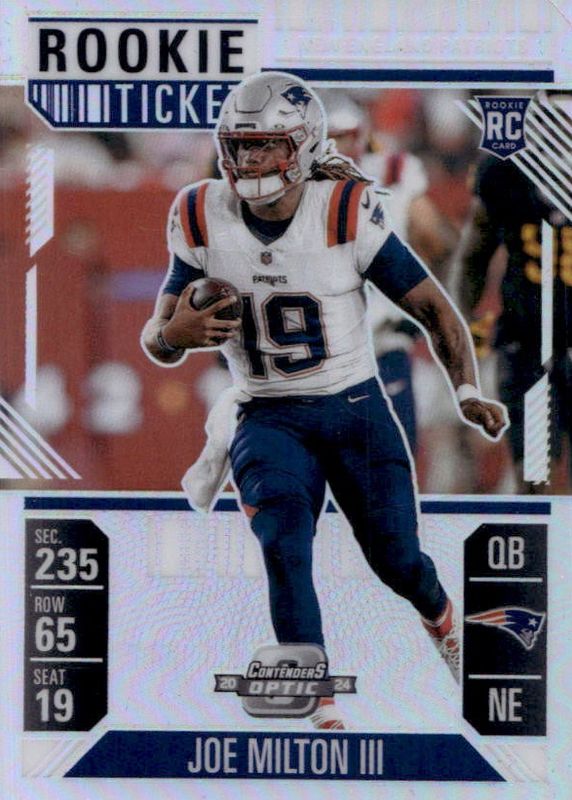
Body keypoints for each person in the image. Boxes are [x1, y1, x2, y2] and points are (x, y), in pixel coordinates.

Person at [141, 72, 508, 729]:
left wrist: (466, 389)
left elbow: (433, 308)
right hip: (268, 411)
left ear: (304, 145)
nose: (250, 160)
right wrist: (173, 335)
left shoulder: (342, 209)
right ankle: (319, 698)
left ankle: (443, 619)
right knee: (283, 540)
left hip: (352, 407)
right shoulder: (199, 211)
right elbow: (158, 337)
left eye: (266, 145)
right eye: (240, 145)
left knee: (398, 561)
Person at [320, 90, 457, 454]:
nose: (335, 147)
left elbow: (437, 240)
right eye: (330, 138)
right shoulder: (389, 172)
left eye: (341, 137)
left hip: (367, 341)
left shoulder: (393, 170)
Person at [458, 153, 571, 492]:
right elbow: (474, 256)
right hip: (527, 343)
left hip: (529, 341)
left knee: (535, 474)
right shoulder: (506, 170)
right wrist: (463, 326)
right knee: (535, 474)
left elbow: (473, 258)